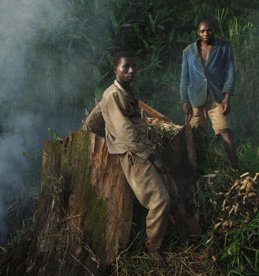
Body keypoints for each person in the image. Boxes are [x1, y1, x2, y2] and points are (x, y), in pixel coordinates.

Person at [83, 51, 170, 266]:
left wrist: (85, 131)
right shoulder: (114, 94)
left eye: (133, 66)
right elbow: (124, 131)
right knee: (160, 200)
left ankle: (151, 238)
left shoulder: (121, 92)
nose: (131, 71)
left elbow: (96, 114)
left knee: (166, 192)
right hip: (134, 156)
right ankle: (153, 248)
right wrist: (151, 157)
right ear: (116, 70)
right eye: (125, 67)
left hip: (137, 151)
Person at [180, 19, 238, 166]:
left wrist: (227, 97)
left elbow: (231, 72)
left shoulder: (224, 47)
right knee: (196, 135)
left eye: (209, 30)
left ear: (214, 30)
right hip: (196, 99)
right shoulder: (188, 51)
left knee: (226, 133)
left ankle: (236, 169)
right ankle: (199, 170)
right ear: (198, 33)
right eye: (202, 31)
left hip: (217, 96)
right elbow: (184, 78)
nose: (206, 33)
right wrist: (184, 100)